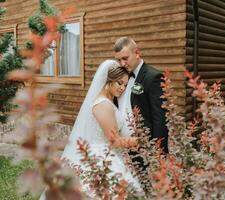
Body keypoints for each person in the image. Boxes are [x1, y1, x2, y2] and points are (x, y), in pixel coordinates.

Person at [41, 60, 142, 199]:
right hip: (100, 156)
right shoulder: (103, 105)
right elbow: (115, 141)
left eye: (125, 85)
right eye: (120, 83)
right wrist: (141, 141)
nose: (122, 88)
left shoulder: (108, 102)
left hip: (107, 153)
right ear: (109, 80)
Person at [113, 36, 168, 153]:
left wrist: (157, 151)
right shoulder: (120, 77)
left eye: (125, 58)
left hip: (145, 148)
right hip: (122, 147)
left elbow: (160, 118)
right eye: (119, 60)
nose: (122, 63)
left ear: (137, 53)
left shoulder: (153, 77)